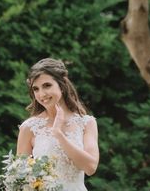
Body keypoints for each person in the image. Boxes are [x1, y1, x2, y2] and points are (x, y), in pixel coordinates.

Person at [17, 58, 99, 191]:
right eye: (36, 89)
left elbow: (90, 167)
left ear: (62, 85)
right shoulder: (29, 127)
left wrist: (59, 135)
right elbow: (21, 179)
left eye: (47, 85)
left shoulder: (87, 123)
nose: (41, 94)